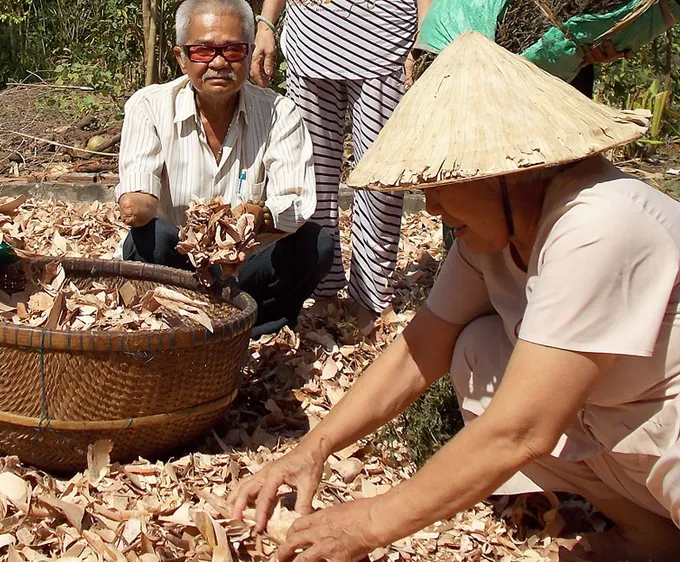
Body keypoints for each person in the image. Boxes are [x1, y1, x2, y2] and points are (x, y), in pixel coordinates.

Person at [228, 32, 679, 562]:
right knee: (477, 349)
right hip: (615, 425)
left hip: (664, 424)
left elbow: (522, 429)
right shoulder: (493, 238)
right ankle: (649, 532)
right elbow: (421, 348)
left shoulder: (599, 223)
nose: (433, 205)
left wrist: (369, 523)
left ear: (506, 171)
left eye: (442, 183)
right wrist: (312, 450)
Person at [117, 0, 333, 338]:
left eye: (233, 50)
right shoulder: (148, 107)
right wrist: (136, 204)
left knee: (315, 245)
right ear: (180, 57)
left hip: (243, 270)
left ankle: (253, 328)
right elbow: (139, 190)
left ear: (249, 54)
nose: (218, 62)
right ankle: (178, 326)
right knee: (149, 238)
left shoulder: (281, 114)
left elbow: (296, 202)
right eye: (203, 51)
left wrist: (255, 218)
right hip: (176, 269)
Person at [252, 0, 429, 335]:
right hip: (310, 40)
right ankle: (323, 289)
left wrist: (422, 39)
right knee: (310, 177)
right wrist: (266, 23)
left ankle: (372, 295)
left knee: (381, 180)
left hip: (385, 39)